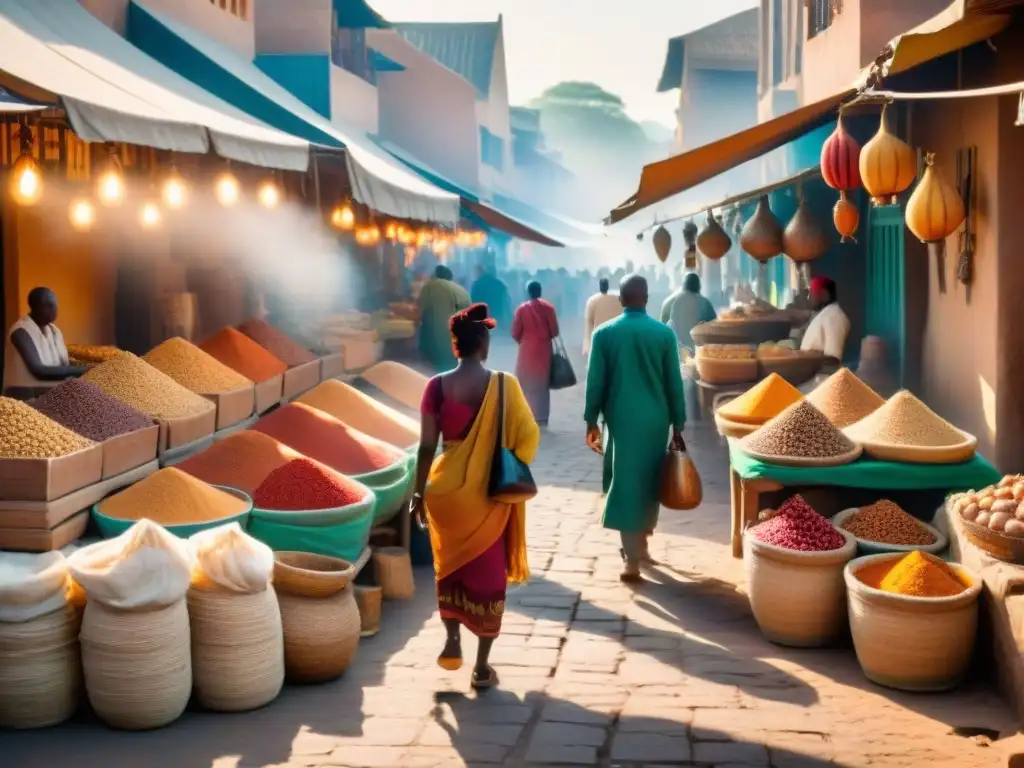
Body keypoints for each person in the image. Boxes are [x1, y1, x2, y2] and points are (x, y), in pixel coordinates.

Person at [411, 303, 540, 690]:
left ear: (456, 345)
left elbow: (424, 448)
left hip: (444, 493)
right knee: (487, 575)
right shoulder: (505, 385)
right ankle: (482, 667)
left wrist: (418, 494)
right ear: (483, 343)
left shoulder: (435, 386)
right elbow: (529, 435)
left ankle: (452, 638)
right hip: (487, 494)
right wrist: (496, 454)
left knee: (448, 567)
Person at [584, 274, 687, 582]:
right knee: (647, 480)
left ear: (621, 300)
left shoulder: (604, 334)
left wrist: (591, 420)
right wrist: (678, 425)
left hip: (621, 420)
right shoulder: (664, 335)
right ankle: (640, 544)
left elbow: (595, 383)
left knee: (626, 482)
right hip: (656, 421)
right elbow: (674, 383)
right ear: (646, 299)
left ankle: (631, 560)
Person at [3, 287, 86, 399]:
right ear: (37, 306)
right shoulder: (21, 331)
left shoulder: (54, 331)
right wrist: (83, 370)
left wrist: (89, 368)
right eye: (51, 305)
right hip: (24, 395)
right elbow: (39, 371)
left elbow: (63, 365)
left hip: (52, 393)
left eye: (55, 305)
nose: (55, 310)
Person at [512, 281, 560, 426]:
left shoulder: (521, 309)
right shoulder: (549, 308)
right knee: (542, 384)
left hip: (526, 349)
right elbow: (555, 331)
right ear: (540, 291)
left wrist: (524, 340)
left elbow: (515, 332)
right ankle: (542, 417)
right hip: (544, 349)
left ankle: (526, 415)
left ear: (528, 292)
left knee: (525, 383)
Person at [417, 265, 471, 372]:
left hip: (440, 343)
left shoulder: (430, 286)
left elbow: (419, 313)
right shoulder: (460, 290)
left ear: (435, 275)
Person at [800, 275, 850, 369]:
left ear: (824, 294)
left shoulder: (834, 316)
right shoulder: (826, 314)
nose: (809, 298)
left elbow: (833, 359)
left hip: (822, 378)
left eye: (812, 293)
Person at [660, 272, 717, 351]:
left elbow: (662, 332)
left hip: (674, 351)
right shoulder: (704, 303)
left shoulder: (668, 302)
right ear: (699, 287)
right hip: (698, 352)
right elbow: (714, 330)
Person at [583, 277, 622, 357]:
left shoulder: (592, 300)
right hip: (616, 339)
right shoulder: (618, 299)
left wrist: (587, 345)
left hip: (599, 340)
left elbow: (588, 325)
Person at [470, 264, 512, 331]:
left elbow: (473, 302)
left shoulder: (477, 285)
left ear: (478, 272)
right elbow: (507, 302)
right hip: (499, 318)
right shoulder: (500, 284)